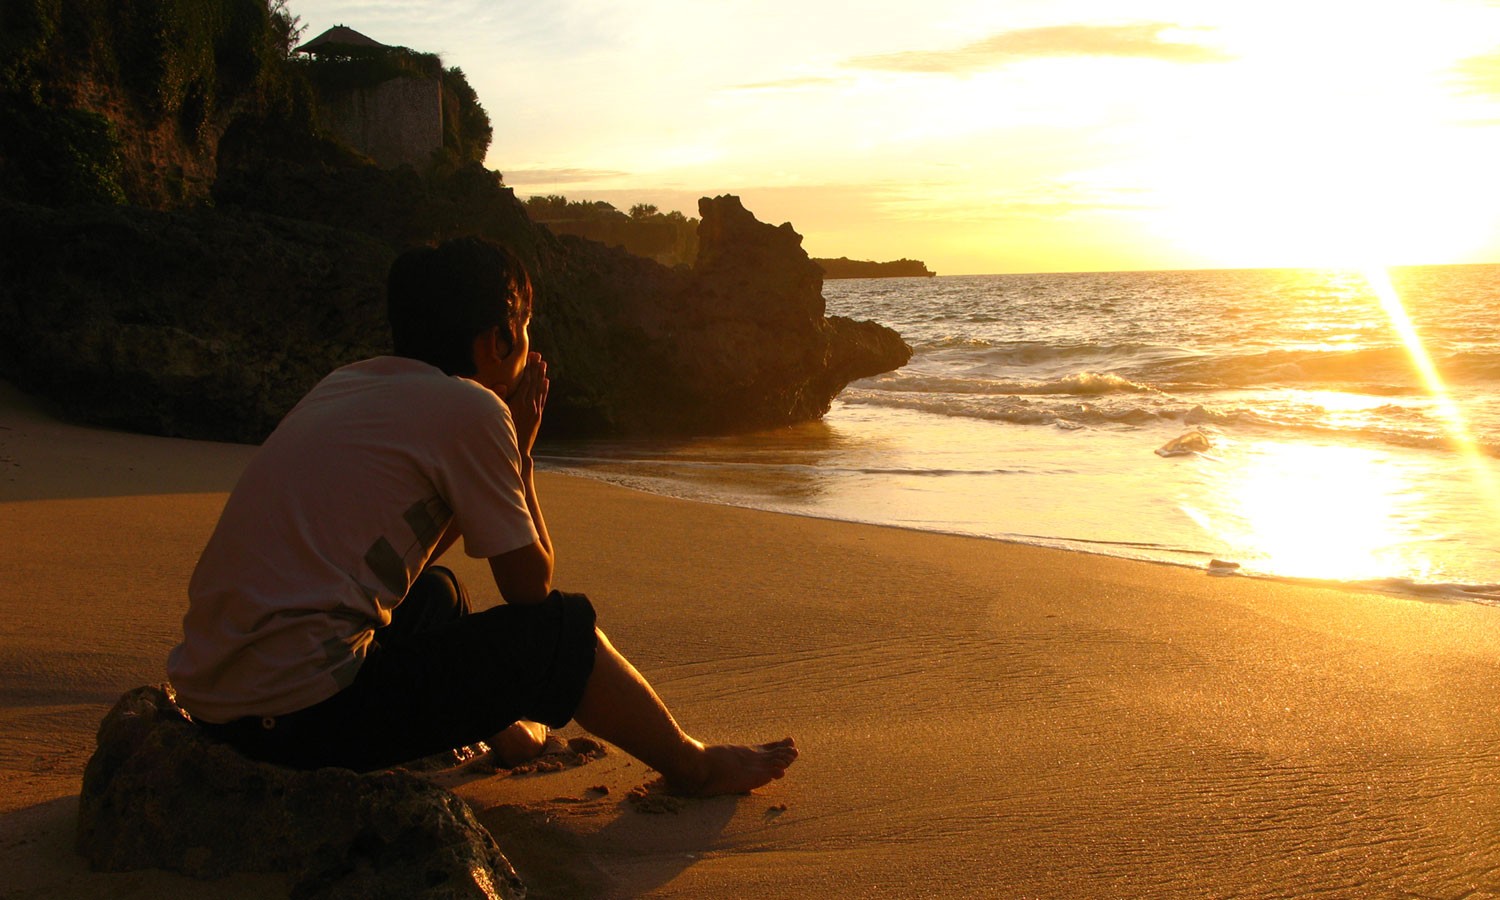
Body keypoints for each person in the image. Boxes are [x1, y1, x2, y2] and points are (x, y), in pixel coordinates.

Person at [166, 236, 796, 795]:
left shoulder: (347, 382)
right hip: (300, 721)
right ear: (497, 340)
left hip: (220, 702)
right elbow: (531, 588)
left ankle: (511, 737)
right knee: (560, 632)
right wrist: (519, 452)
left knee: (435, 594)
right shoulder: (468, 407)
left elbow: (390, 561)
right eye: (523, 330)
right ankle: (694, 765)